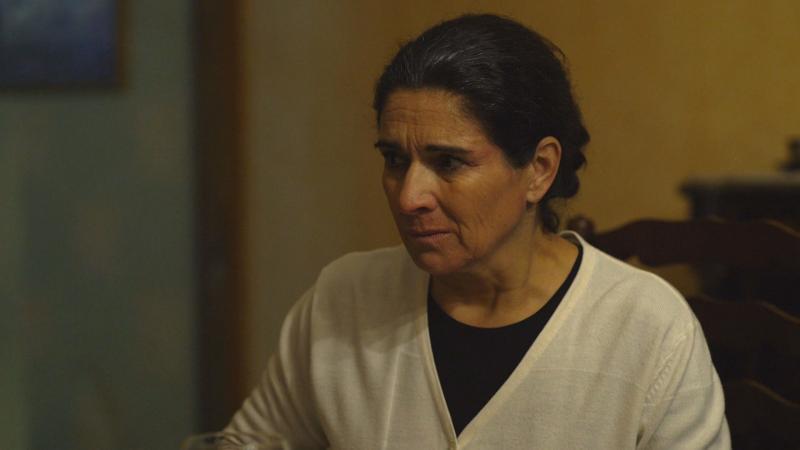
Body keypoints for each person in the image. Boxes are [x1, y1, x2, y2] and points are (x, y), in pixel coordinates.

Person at [226, 14, 730, 449]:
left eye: (448, 162)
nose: (409, 197)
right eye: (395, 160)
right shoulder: (346, 300)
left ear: (539, 169)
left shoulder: (647, 329)